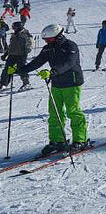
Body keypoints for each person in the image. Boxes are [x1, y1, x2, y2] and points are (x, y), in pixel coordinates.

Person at [10, 23, 89, 154]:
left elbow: (69, 63)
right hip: (57, 84)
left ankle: (80, 140)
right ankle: (58, 141)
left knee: (73, 112)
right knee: (55, 113)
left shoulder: (70, 46)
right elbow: (36, 62)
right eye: (45, 40)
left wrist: (52, 72)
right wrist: (19, 70)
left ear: (57, 36)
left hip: (72, 82)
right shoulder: (48, 48)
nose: (47, 42)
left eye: (49, 39)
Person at [1, 21, 33, 90]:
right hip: (12, 55)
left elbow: (29, 46)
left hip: (21, 55)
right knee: (7, 69)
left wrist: (24, 54)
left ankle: (26, 83)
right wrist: (5, 54)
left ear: (19, 27)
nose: (13, 29)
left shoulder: (26, 34)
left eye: (14, 28)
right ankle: (3, 84)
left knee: (21, 69)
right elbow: (11, 46)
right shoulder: (14, 35)